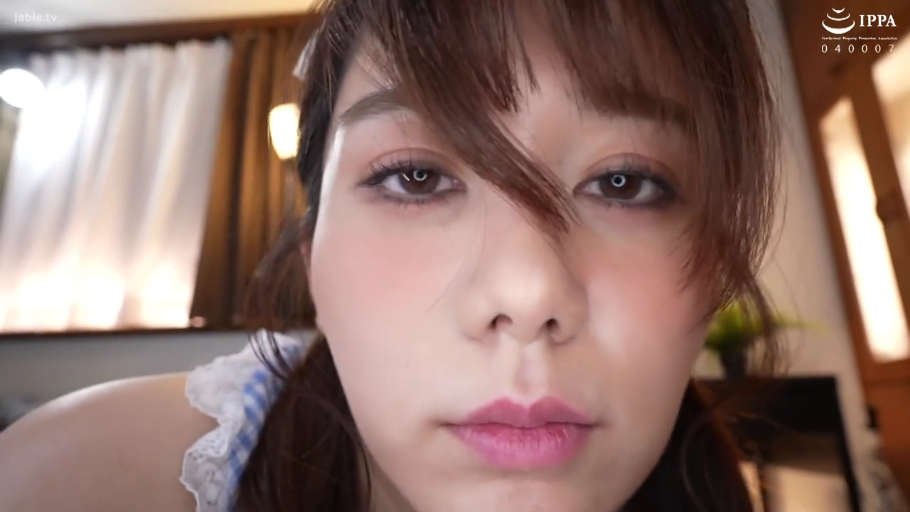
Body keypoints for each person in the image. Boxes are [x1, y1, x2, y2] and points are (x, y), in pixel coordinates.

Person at [0, 0, 781, 510]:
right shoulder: (79, 479)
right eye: (416, 177)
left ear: (716, 270)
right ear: (314, 251)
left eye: (623, 182)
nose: (527, 291)